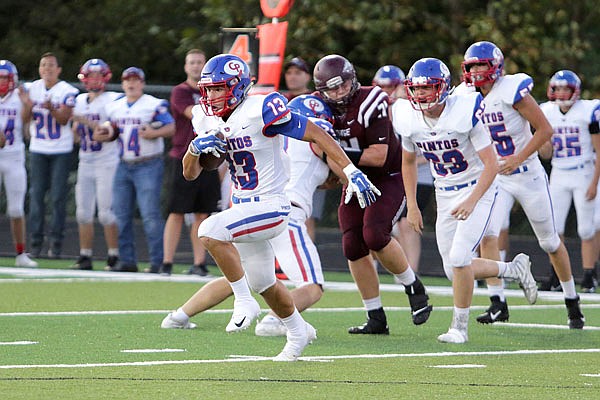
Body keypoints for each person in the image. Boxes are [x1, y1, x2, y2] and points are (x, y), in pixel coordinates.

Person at [180, 54, 378, 361]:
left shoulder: (260, 108)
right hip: (244, 207)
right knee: (265, 283)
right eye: (209, 90)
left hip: (272, 206)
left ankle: (243, 301)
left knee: (209, 229)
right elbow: (192, 172)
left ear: (237, 86)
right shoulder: (209, 118)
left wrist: (350, 171)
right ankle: (297, 333)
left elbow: (317, 133)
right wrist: (194, 149)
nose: (212, 96)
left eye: (219, 89)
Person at [162, 94, 334, 337]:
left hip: (248, 209)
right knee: (312, 286)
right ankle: (272, 321)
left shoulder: (268, 130)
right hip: (283, 214)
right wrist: (351, 173)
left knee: (244, 276)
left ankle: (179, 315)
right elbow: (330, 167)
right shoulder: (316, 136)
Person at [396, 57, 538, 343]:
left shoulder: (464, 111)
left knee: (461, 259)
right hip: (444, 191)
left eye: (428, 88)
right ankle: (513, 269)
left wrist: (473, 201)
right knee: (453, 270)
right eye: (416, 88)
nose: (421, 94)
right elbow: (408, 163)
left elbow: (490, 164)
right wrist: (411, 204)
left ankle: (459, 328)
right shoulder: (407, 117)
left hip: (479, 188)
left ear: (444, 87)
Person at [462, 41, 585, 329]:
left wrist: (518, 157)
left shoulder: (511, 90)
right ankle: (497, 303)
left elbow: (545, 129)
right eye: (473, 65)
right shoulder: (465, 96)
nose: (478, 70)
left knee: (550, 242)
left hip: (526, 173)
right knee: (488, 234)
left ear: (496, 66)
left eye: (483, 64)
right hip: (496, 177)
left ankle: (572, 300)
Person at [312, 54, 432, 334]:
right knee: (352, 245)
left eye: (343, 85)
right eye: (332, 88)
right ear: (322, 91)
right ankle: (375, 316)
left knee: (374, 235)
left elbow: (379, 156)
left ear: (353, 79)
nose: (340, 92)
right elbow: (319, 149)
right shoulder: (318, 108)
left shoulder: (372, 99)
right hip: (354, 179)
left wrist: (335, 153)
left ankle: (413, 287)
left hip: (388, 176)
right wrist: (343, 171)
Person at [95, 67, 175, 272]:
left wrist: (154, 132)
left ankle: (157, 261)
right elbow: (113, 130)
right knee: (121, 215)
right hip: (123, 163)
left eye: (135, 80)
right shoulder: (115, 106)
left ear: (142, 83)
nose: (131, 84)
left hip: (148, 163)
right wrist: (105, 133)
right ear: (122, 84)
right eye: (127, 80)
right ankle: (127, 260)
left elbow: (172, 127)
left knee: (150, 215)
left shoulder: (154, 104)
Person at [160, 49, 220, 276]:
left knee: (203, 213)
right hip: (184, 156)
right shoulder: (180, 91)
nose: (196, 66)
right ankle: (166, 262)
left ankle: (199, 263)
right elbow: (194, 114)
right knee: (176, 211)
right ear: (186, 66)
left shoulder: (214, 91)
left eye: (199, 63)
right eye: (192, 62)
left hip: (209, 158)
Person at [539, 70, 600, 293]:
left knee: (586, 228)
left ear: (575, 91)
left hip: (584, 172)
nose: (562, 93)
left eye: (566, 89)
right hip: (559, 173)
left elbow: (598, 150)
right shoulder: (547, 111)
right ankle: (556, 275)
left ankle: (589, 275)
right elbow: (546, 154)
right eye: (558, 89)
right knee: (555, 228)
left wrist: (594, 182)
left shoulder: (588, 111)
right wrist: (542, 144)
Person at [373, 64, 434, 274]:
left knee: (407, 223)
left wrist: (405, 163)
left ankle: (412, 271)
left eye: (390, 86)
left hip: (421, 175)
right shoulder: (378, 111)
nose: (385, 91)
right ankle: (403, 269)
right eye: (380, 86)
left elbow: (432, 148)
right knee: (389, 223)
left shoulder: (413, 109)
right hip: (396, 175)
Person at [20, 52, 79, 259]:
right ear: (39, 69)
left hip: (60, 150)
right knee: (36, 196)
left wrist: (51, 108)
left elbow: (64, 119)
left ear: (59, 69)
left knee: (57, 198)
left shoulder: (67, 90)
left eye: (51, 65)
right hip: (38, 148)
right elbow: (24, 119)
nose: (47, 69)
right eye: (43, 65)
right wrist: (28, 105)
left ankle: (56, 243)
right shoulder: (31, 88)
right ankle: (35, 243)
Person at [70, 58, 121, 270]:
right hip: (86, 160)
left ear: (105, 77)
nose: (94, 79)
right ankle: (85, 255)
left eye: (98, 75)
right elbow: (75, 136)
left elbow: (109, 132)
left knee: (106, 212)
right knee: (82, 212)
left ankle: (113, 255)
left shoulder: (113, 100)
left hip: (107, 160)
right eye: (91, 75)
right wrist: (77, 128)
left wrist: (87, 122)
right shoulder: (79, 100)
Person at [0, 60, 38, 268]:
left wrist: (28, 106)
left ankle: (21, 253)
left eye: (5, 78)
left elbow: (23, 128)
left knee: (15, 210)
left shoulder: (20, 96)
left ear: (13, 80)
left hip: (14, 157)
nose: (2, 82)